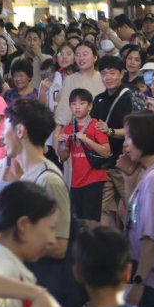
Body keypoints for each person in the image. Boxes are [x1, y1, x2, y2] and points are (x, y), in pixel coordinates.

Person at [1, 99, 80, 307]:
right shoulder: (28, 175)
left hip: (48, 295)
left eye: (5, 129)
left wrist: (3, 243)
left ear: (20, 131)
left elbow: (59, 246)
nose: (2, 137)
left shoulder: (49, 180)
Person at [90, 55, 137, 227]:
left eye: (112, 73)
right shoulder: (98, 99)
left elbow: (134, 129)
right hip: (104, 164)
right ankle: (110, 249)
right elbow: (93, 127)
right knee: (104, 210)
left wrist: (109, 131)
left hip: (125, 164)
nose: (108, 77)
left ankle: (136, 248)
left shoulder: (129, 96)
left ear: (122, 73)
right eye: (104, 73)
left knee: (132, 207)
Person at [124, 111, 154, 307]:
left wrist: (139, 283)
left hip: (153, 282)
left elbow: (151, 237)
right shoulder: (150, 174)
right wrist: (128, 178)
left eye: (130, 136)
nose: (125, 143)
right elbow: (134, 217)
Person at [57, 88, 110, 224]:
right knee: (78, 221)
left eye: (82, 103)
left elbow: (106, 152)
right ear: (70, 107)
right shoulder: (69, 128)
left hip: (94, 179)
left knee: (92, 221)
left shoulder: (95, 125)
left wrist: (87, 139)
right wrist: (62, 143)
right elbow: (64, 157)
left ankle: (94, 245)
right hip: (76, 181)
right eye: (74, 104)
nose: (77, 107)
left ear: (90, 106)